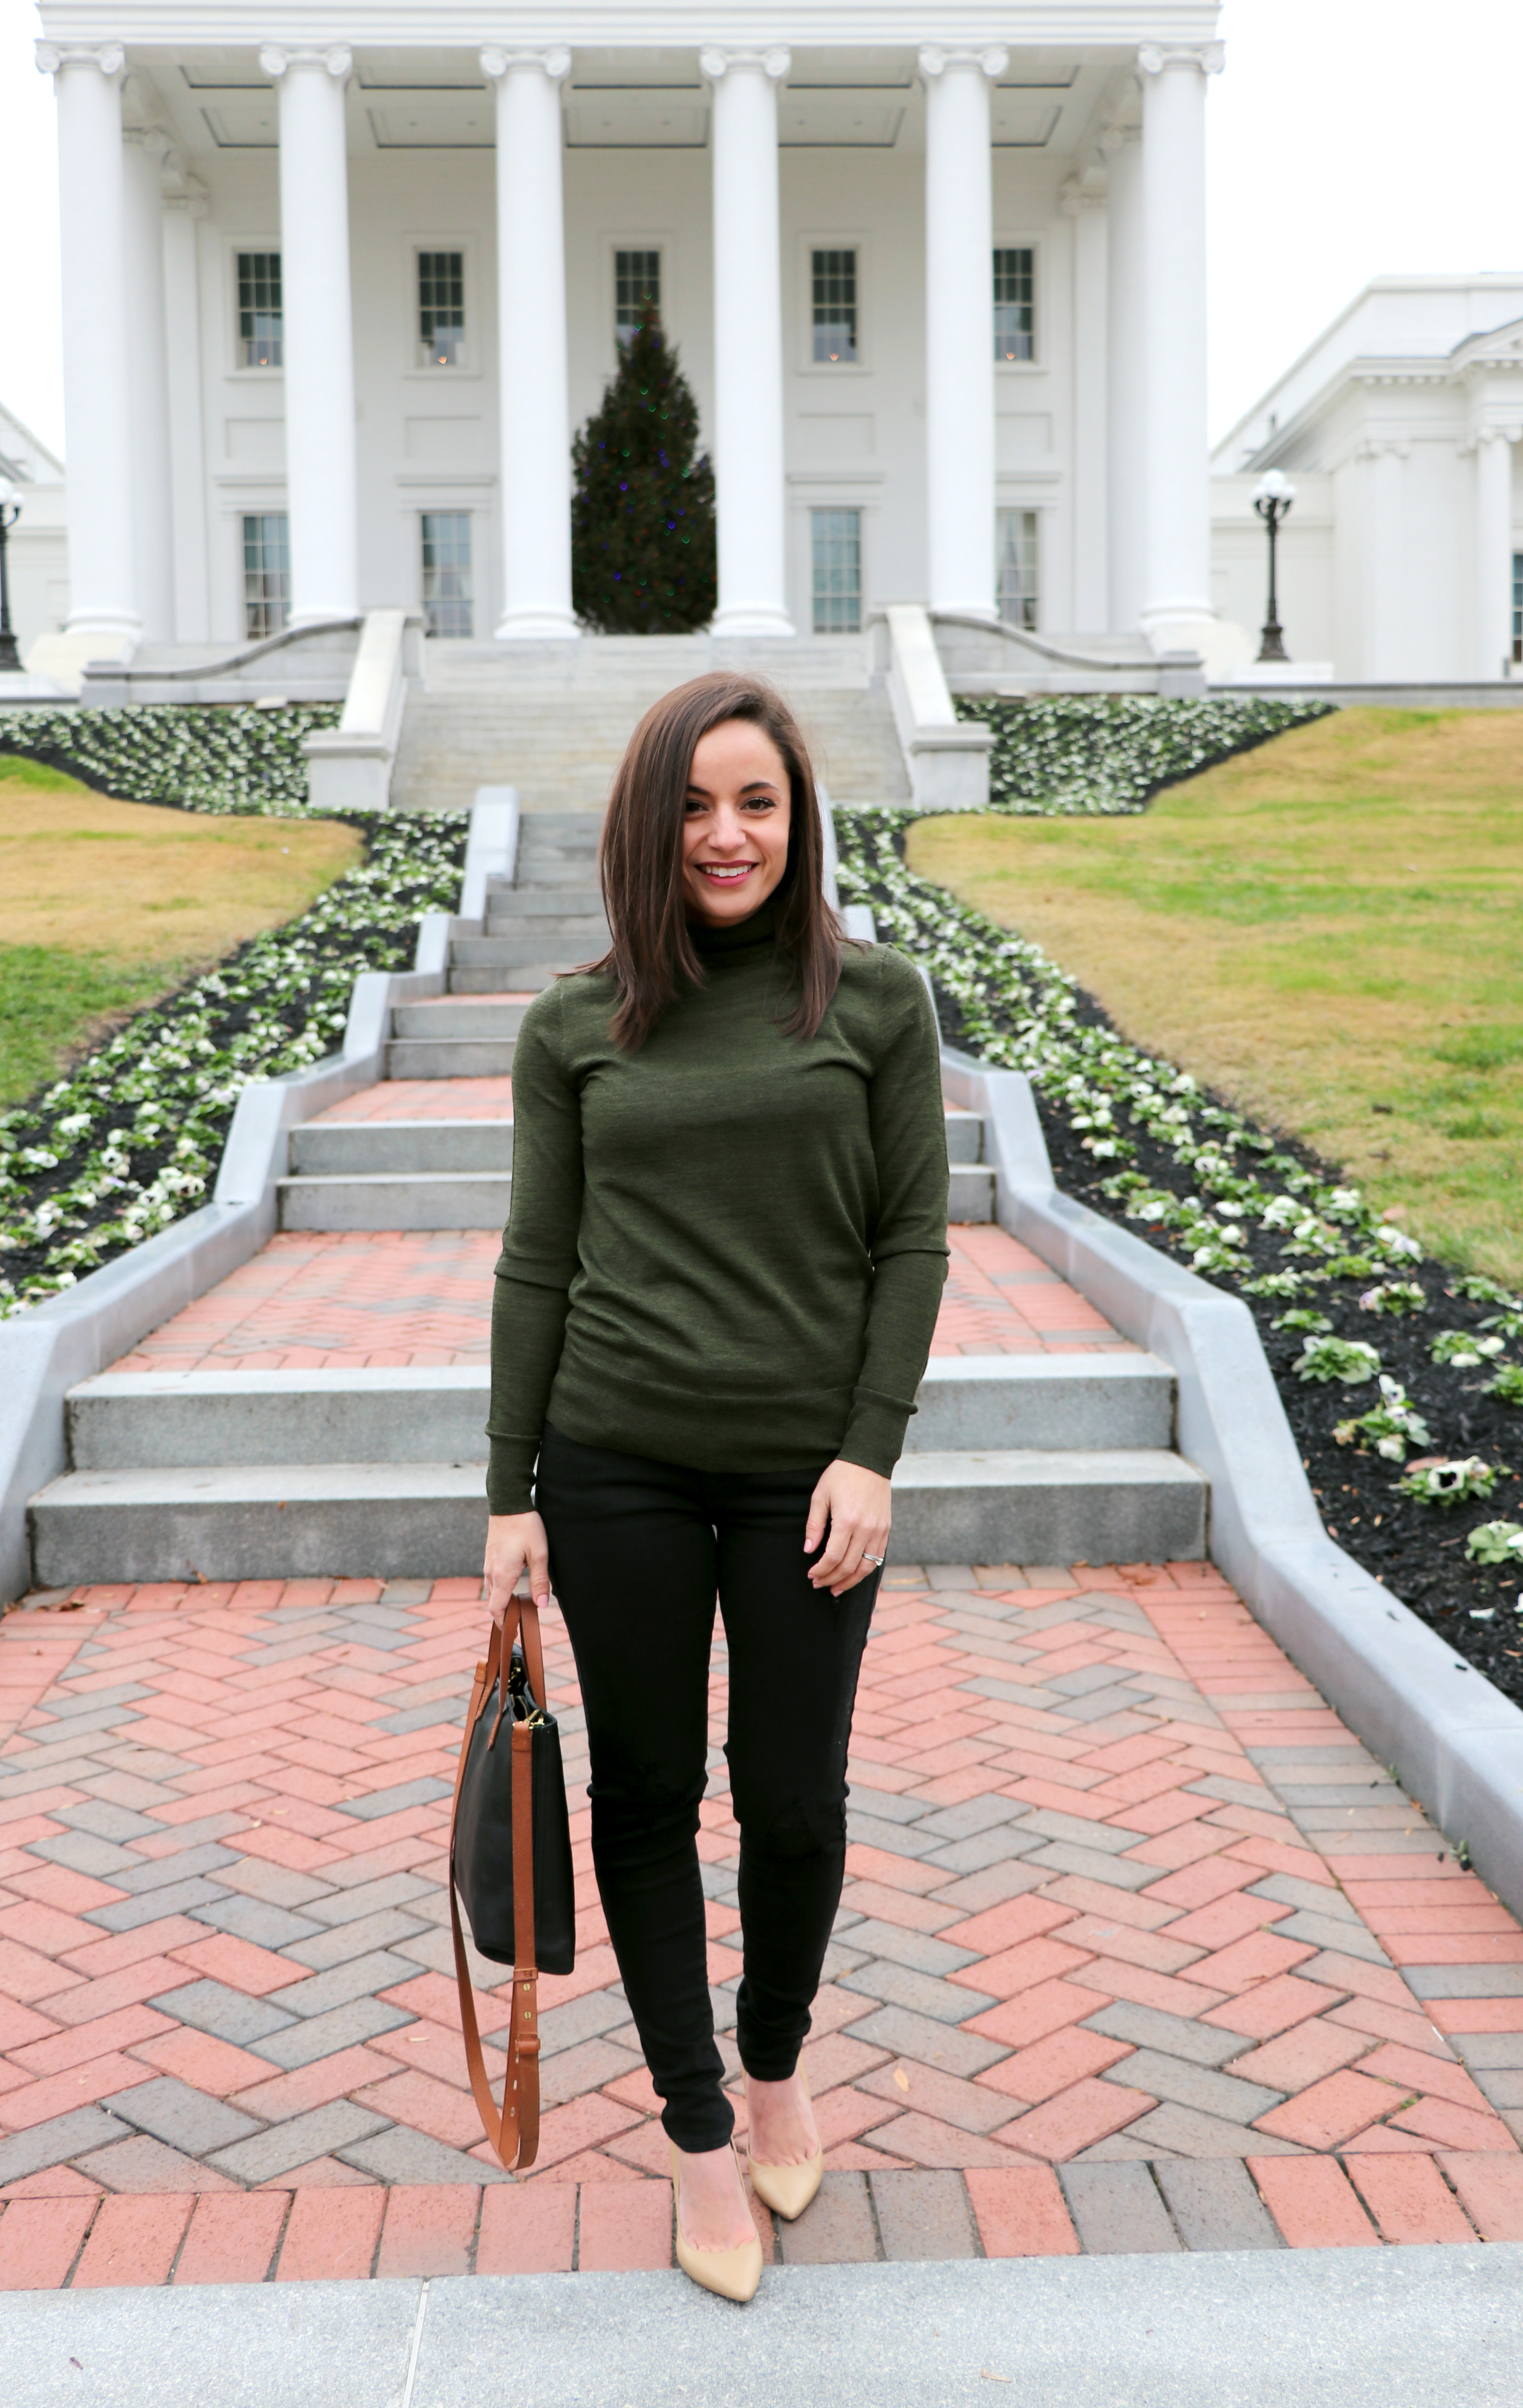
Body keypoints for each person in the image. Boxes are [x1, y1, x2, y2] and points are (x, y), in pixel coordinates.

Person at [482, 672, 949, 2302]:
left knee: (798, 1803)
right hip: (613, 1464)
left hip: (805, 1479)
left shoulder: (876, 1002)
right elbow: (538, 1264)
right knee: (645, 1800)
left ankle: (773, 2070)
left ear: (798, 819)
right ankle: (695, 2135)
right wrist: (507, 1494)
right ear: (645, 825)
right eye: (692, 805)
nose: (726, 834)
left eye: (756, 802)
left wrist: (871, 1448)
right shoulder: (573, 1023)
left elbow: (911, 1241)